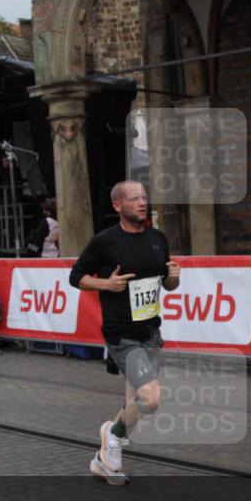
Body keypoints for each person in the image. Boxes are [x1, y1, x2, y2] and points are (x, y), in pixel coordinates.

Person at [69, 180, 180, 484]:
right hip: (122, 335)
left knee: (134, 404)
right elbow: (75, 277)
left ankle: (104, 461)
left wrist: (173, 279)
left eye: (144, 197)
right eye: (134, 199)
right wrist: (105, 284)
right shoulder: (105, 242)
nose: (142, 203)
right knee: (151, 399)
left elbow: (166, 285)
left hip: (151, 332)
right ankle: (112, 434)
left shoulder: (157, 238)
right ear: (118, 205)